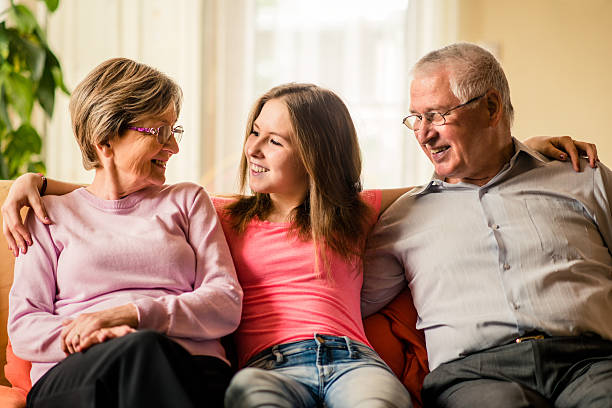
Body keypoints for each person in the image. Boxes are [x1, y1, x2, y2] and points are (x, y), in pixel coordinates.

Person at [1, 84, 597, 406]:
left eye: (274, 140)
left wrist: (517, 151)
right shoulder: (218, 212)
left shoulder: (359, 214)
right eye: (252, 134)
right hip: (265, 366)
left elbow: (444, 188)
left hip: (348, 360)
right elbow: (122, 196)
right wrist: (37, 184)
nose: (254, 149)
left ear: (313, 154)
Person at [361, 42, 612, 407]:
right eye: (416, 117)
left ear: (491, 108)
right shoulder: (402, 219)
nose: (422, 133)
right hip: (474, 377)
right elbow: (341, 301)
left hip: (590, 364)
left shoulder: (581, 176)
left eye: (436, 115)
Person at [6, 58, 243, 408]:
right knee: (140, 350)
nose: (173, 148)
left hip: (191, 368)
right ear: (105, 141)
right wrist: (92, 336)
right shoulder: (48, 214)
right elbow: (25, 326)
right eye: (160, 132)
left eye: (173, 131)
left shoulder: (188, 201)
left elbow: (225, 302)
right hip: (81, 374)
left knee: (146, 349)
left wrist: (134, 315)